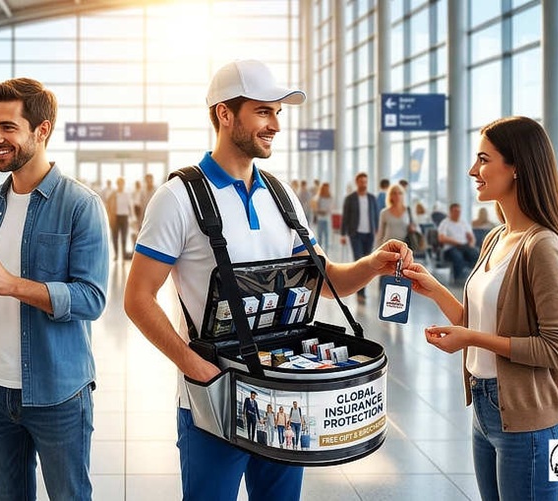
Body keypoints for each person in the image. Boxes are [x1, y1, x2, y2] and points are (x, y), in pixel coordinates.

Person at [124, 59, 411, 500]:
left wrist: (373, 264)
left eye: (278, 112)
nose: (275, 124)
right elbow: (138, 298)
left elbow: (324, 278)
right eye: (263, 111)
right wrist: (194, 367)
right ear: (224, 113)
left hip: (281, 393)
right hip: (214, 400)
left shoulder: (282, 195)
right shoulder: (177, 198)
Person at [401, 116, 558, 501]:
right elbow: (475, 321)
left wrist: (470, 339)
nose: (472, 170)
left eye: (483, 159)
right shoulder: (497, 237)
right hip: (486, 407)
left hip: (528, 419)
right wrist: (434, 290)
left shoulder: (542, 246)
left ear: (516, 168)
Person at [0, 77, 109, 501]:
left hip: (58, 392)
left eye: (7, 128)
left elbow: (92, 298)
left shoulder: (80, 205)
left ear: (42, 131)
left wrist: (15, 285)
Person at [341, 172, 380, 301]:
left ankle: (363, 290)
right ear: (357, 182)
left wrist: (377, 230)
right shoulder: (350, 198)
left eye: (365, 182)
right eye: (361, 182)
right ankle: (360, 292)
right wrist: (342, 234)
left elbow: (376, 215)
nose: (363, 184)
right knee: (359, 261)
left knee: (368, 263)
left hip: (369, 235)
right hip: (355, 234)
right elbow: (345, 217)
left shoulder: (371, 198)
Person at [437, 203, 480, 284]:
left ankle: (475, 276)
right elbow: (441, 238)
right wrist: (455, 242)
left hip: (464, 246)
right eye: (455, 211)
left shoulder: (463, 222)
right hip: (450, 248)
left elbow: (471, 237)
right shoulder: (445, 223)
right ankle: (459, 278)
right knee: (458, 256)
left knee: (475, 254)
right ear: (450, 212)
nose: (458, 213)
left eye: (459, 211)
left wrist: (471, 244)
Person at [107, 177, 134, 260]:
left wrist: (133, 217)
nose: (120, 185)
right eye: (119, 183)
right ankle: (116, 255)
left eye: (122, 183)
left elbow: (131, 206)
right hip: (115, 217)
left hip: (124, 217)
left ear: (124, 184)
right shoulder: (113, 194)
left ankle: (123, 255)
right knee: (115, 237)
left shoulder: (127, 194)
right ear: (117, 184)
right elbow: (108, 204)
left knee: (124, 237)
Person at [314, 181, 333, 248]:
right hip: (320, 219)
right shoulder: (319, 197)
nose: (326, 189)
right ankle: (320, 253)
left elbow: (330, 208)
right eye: (325, 188)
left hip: (327, 219)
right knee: (320, 236)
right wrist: (320, 211)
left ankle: (326, 253)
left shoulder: (330, 198)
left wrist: (326, 211)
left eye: (327, 188)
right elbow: (316, 208)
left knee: (327, 236)